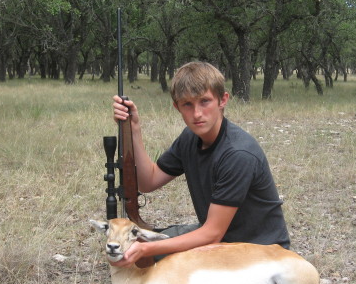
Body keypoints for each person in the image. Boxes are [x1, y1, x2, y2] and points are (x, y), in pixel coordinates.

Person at [112, 61, 290, 267]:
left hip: (258, 251)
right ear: (176, 106)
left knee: (152, 263)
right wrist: (134, 129)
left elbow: (212, 234)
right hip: (220, 239)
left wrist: (146, 249)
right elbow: (148, 181)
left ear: (222, 100)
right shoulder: (190, 137)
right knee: (136, 252)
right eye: (187, 104)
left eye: (204, 101)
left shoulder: (238, 154)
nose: (197, 114)